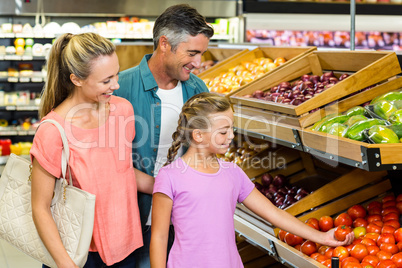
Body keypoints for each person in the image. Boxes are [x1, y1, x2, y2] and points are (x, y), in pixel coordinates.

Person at [150, 92, 355, 268]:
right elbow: (159, 237)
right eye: (223, 131)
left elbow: (274, 214)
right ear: (198, 135)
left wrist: (321, 237)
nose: (231, 135)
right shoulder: (170, 177)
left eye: (232, 128)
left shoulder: (232, 172)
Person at [30, 32, 153, 268]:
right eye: (106, 80)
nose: (116, 85)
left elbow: (121, 170)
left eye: (116, 74)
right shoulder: (53, 131)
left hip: (125, 246)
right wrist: (66, 264)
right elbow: (40, 207)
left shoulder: (122, 110)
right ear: (76, 79)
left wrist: (168, 185)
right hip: (77, 252)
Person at [114, 4, 214, 267]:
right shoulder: (120, 87)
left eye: (202, 54)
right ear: (165, 44)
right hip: (128, 220)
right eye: (192, 53)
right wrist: (161, 186)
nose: (198, 62)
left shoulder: (198, 89)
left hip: (180, 221)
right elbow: (107, 162)